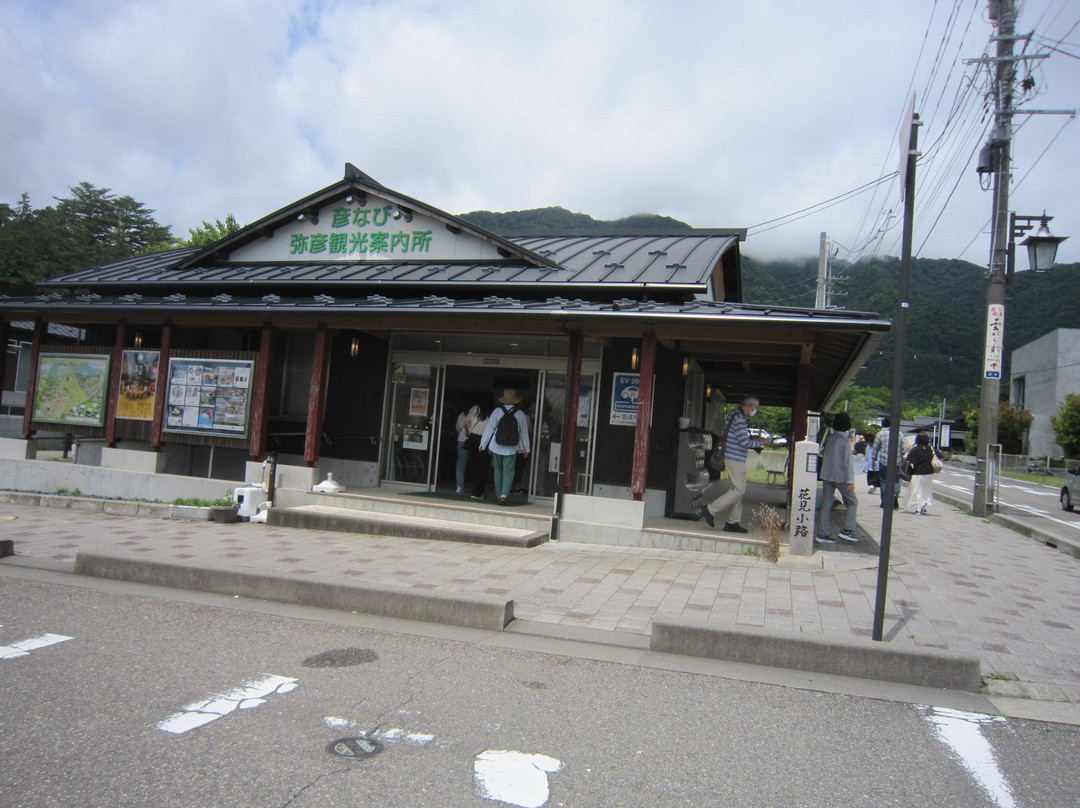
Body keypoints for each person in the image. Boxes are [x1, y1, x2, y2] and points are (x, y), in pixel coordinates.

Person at [699, 396, 770, 533]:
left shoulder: (735, 415)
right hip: (735, 458)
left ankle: (732, 522)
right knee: (739, 490)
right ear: (751, 406)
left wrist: (754, 439)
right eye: (755, 409)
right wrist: (762, 443)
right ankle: (710, 509)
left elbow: (739, 438)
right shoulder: (739, 418)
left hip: (732, 456)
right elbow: (744, 442)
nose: (754, 411)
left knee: (736, 490)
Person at [480, 388, 531, 506]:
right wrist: (526, 449)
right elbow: (523, 432)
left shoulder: (497, 411)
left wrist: (483, 444)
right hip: (512, 447)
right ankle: (504, 495)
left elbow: (490, 429)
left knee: (498, 471)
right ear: (516, 400)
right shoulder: (520, 414)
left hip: (496, 445)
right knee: (509, 471)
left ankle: (498, 494)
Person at [816, 411, 859, 545]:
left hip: (827, 475)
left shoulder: (830, 437)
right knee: (852, 502)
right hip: (840, 477)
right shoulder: (845, 440)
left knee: (827, 503)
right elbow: (848, 462)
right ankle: (847, 530)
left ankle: (823, 533)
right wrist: (850, 481)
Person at [903, 431, 942, 514]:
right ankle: (923, 505)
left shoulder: (915, 449)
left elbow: (910, 460)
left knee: (917, 491)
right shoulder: (931, 448)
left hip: (918, 473)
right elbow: (941, 456)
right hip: (929, 473)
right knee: (926, 491)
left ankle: (918, 507)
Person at [466, 395, 493, 500]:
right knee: (482, 467)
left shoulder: (475, 409)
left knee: (474, 465)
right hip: (484, 440)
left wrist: (467, 431)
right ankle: (477, 491)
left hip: (473, 438)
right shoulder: (492, 412)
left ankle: (478, 489)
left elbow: (465, 422)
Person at [872, 418, 900, 509]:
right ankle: (894, 496)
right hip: (896, 461)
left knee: (884, 481)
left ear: (883, 424)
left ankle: (885, 500)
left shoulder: (880, 434)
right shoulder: (899, 434)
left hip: (884, 461)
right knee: (895, 480)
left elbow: (875, 448)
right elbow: (903, 449)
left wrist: (874, 459)